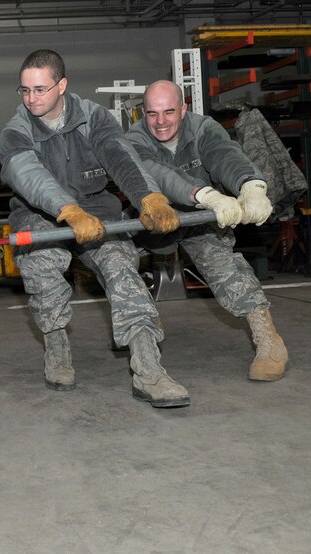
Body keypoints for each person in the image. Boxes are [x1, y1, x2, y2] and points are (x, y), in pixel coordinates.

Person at [0, 49, 188, 408]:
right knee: (41, 266)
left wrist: (149, 197)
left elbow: (119, 155)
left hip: (97, 209)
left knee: (122, 268)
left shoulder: (92, 116)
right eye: (24, 90)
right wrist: (67, 210)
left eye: (40, 89)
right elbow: (28, 174)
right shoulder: (16, 131)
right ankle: (56, 347)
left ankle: (149, 369)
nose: (31, 98)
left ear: (62, 85)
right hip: (40, 214)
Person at [126, 80, 288, 381]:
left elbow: (224, 154)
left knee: (225, 265)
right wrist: (204, 194)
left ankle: (269, 341)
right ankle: (138, 324)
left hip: (201, 219)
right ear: (142, 114)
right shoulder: (134, 139)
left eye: (169, 111)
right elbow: (157, 173)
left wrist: (250, 185)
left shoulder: (203, 128)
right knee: (116, 257)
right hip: (155, 217)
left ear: (184, 109)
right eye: (152, 113)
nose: (160, 122)